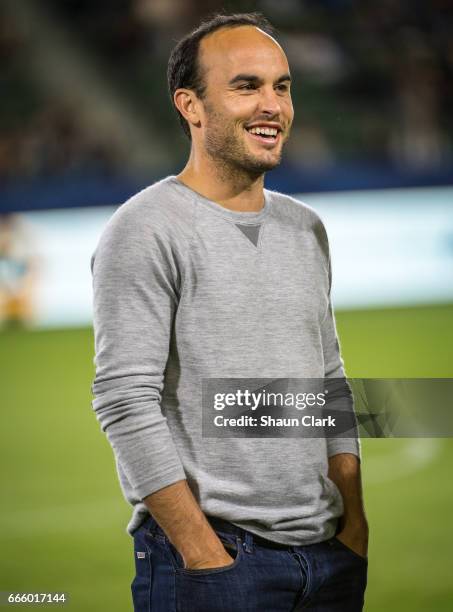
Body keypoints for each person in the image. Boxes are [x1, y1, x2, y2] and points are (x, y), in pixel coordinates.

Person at [91, 12, 369, 612]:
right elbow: (123, 398)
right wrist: (202, 551)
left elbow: (329, 382)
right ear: (190, 106)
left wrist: (354, 524)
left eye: (282, 86)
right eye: (246, 86)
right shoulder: (144, 229)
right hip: (217, 562)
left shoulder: (305, 228)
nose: (272, 104)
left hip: (329, 555)